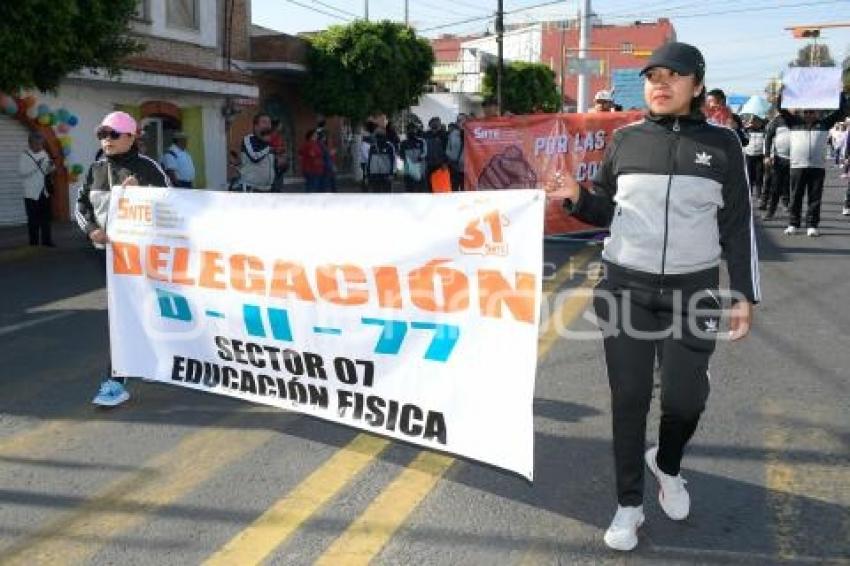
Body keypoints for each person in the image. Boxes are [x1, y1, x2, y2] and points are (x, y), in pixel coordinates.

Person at [545, 42, 759, 552]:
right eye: (651, 76)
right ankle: (628, 506)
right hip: (626, 289)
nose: (659, 84)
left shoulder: (724, 145)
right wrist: (577, 198)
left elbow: (738, 224)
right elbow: (602, 212)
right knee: (630, 399)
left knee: (687, 400)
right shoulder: (624, 140)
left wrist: (744, 293)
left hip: (695, 290)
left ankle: (666, 463)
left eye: (673, 75)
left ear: (697, 85)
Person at [76, 111, 171, 407]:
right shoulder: (94, 170)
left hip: (143, 257)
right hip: (107, 258)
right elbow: (81, 207)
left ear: (131, 137)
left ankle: (118, 379)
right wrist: (92, 231)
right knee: (124, 316)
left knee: (140, 312)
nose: (107, 141)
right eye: (102, 135)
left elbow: (173, 207)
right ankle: (126, 374)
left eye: (113, 135)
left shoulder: (149, 169)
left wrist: (140, 194)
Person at [777, 91, 847, 237]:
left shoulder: (824, 124)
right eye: (806, 112)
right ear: (802, 113)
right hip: (797, 166)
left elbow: (842, 111)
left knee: (815, 197)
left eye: (812, 112)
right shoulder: (794, 123)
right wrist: (782, 93)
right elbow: (781, 109)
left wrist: (840, 92)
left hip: (817, 166)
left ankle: (812, 225)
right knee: (796, 196)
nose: (809, 114)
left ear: (817, 113)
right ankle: (793, 224)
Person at [18, 131, 55, 247]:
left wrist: (50, 166)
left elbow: (48, 170)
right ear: (30, 144)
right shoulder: (24, 155)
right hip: (31, 193)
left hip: (44, 191)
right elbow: (23, 173)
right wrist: (37, 165)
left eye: (41, 144)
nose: (39, 147)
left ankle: (46, 242)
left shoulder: (44, 153)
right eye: (37, 144)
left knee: (45, 218)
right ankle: (33, 243)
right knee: (33, 219)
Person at [763, 112, 792, 220]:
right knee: (775, 186)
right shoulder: (777, 120)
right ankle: (770, 212)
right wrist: (767, 156)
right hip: (780, 158)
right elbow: (768, 138)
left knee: (791, 186)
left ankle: (788, 206)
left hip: (796, 160)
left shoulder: (799, 119)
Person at [239, 113, 278, 192]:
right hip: (251, 189)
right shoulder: (249, 139)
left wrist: (282, 163)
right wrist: (268, 148)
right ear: (256, 126)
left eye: (269, 123)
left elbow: (271, 166)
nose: (268, 125)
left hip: (268, 189)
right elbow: (255, 157)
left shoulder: (270, 142)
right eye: (264, 122)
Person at [743, 115, 766, 205]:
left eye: (758, 121)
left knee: (759, 176)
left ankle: (759, 195)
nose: (756, 123)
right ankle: (749, 194)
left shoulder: (763, 131)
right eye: (754, 121)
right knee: (749, 176)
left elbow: (766, 142)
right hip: (749, 155)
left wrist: (766, 155)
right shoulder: (747, 130)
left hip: (759, 156)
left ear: (760, 122)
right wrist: (746, 127)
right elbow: (742, 136)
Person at [366, 128, 396, 193]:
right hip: (375, 173)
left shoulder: (389, 146)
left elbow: (393, 160)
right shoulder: (373, 147)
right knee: (376, 192)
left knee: (387, 193)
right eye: (378, 137)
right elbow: (369, 160)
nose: (379, 139)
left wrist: (391, 173)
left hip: (386, 173)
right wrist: (368, 173)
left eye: (381, 136)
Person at [400, 122, 427, 192]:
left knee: (421, 192)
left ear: (416, 130)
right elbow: (401, 155)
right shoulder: (403, 143)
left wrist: (419, 158)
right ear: (407, 131)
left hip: (420, 171)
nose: (411, 131)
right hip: (408, 171)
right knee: (409, 191)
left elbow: (424, 153)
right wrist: (408, 160)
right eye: (409, 129)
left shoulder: (421, 141)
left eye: (413, 129)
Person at [424, 117, 448, 191]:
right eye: (433, 123)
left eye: (437, 122)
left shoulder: (444, 135)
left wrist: (445, 162)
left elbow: (447, 150)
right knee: (429, 184)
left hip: (440, 164)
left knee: (440, 185)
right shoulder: (426, 134)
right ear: (430, 124)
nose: (435, 124)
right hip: (429, 163)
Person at [446, 114, 467, 191]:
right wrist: (451, 158)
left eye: (462, 119)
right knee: (454, 188)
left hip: (466, 168)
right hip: (454, 166)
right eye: (459, 120)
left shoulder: (471, 133)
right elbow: (448, 149)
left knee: (464, 189)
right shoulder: (453, 134)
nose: (461, 122)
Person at [269, 119, 288, 192]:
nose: (281, 127)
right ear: (275, 126)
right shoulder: (270, 136)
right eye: (280, 125)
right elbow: (268, 147)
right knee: (275, 175)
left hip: (280, 158)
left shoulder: (279, 136)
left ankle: (278, 189)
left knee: (280, 174)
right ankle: (274, 189)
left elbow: (282, 146)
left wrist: (283, 151)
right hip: (273, 158)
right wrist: (276, 150)